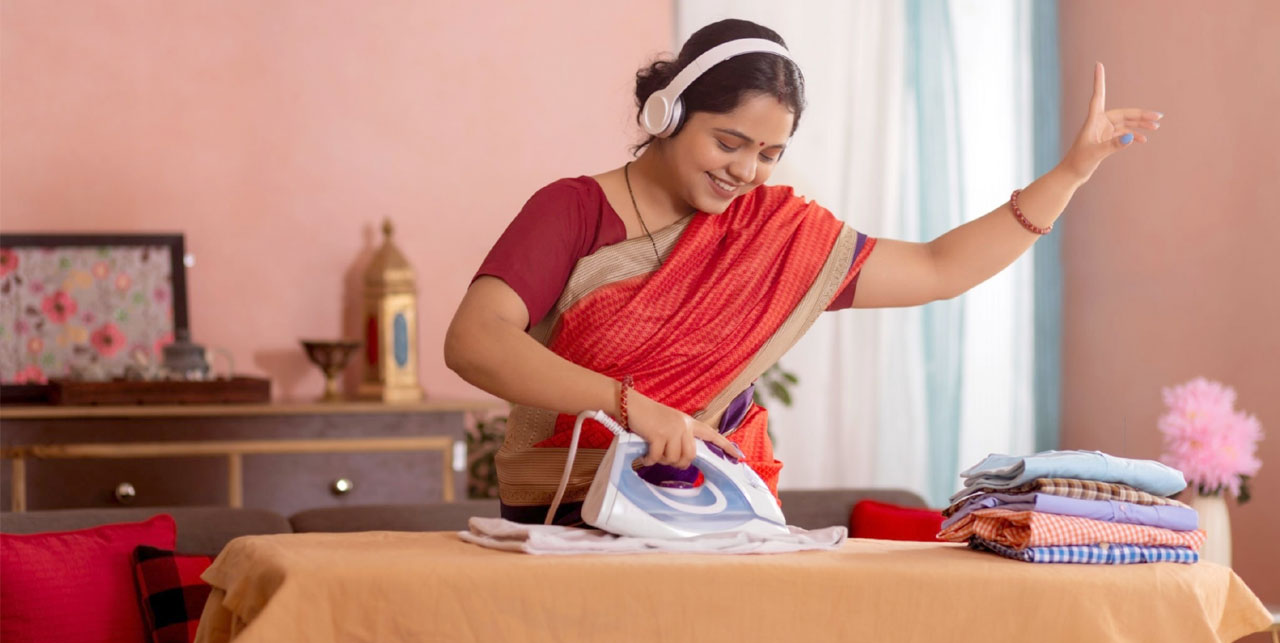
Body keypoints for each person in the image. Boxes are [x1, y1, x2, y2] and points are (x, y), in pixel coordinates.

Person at [444, 18, 1161, 526]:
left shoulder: (777, 236)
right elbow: (475, 341)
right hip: (563, 522)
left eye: (768, 154)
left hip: (714, 525)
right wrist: (633, 407)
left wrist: (1071, 173)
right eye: (729, 142)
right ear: (669, 112)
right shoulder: (572, 211)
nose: (745, 171)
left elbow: (939, 267)